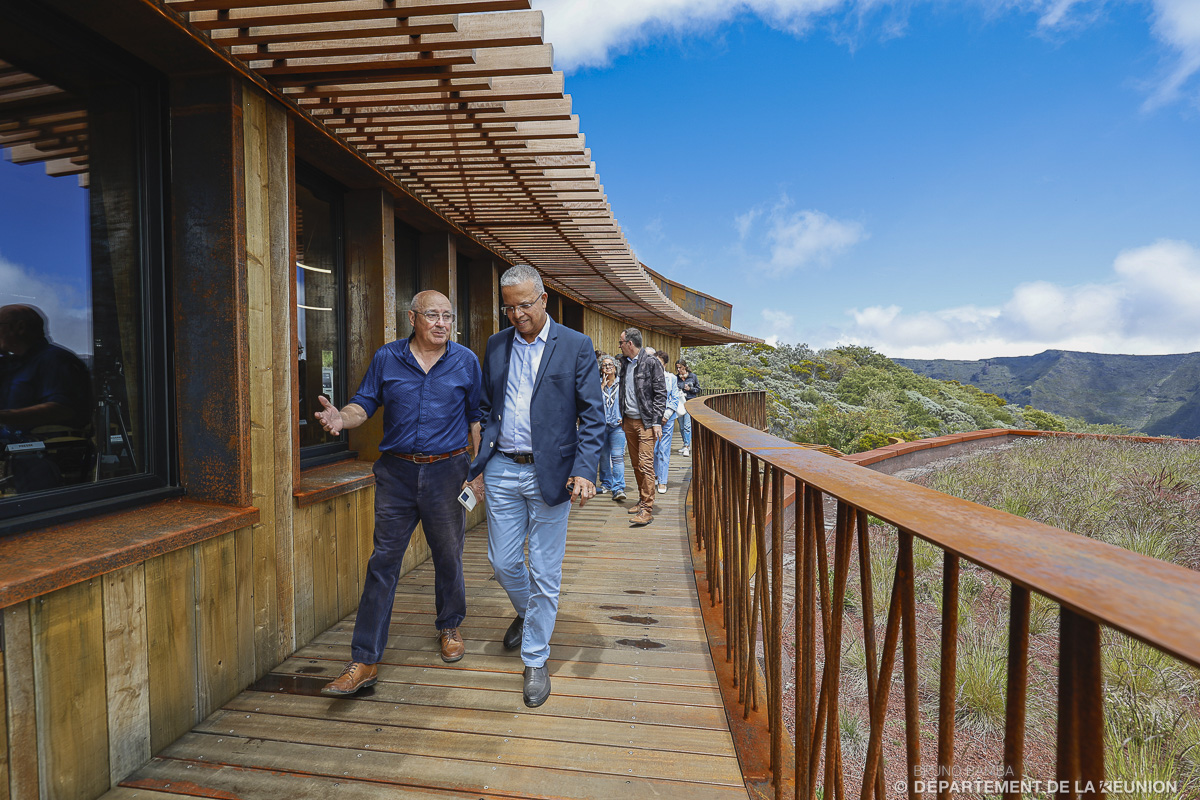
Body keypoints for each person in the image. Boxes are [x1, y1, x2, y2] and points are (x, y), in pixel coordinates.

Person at [319, 290, 483, 696]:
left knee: (448, 555)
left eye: (448, 315)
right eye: (433, 315)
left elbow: (477, 417)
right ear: (413, 318)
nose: (442, 323)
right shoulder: (387, 358)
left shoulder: (466, 361)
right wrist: (342, 417)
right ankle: (365, 660)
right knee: (383, 563)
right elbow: (364, 403)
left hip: (448, 472)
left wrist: (476, 473)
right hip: (396, 474)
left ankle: (449, 625)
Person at [464, 264, 604, 708]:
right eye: (509, 308)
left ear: (544, 299)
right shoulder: (497, 344)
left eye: (525, 304)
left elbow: (594, 417)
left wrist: (585, 471)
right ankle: (528, 615)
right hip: (503, 467)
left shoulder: (577, 346)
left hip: (553, 474)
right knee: (502, 562)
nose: (517, 314)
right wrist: (480, 463)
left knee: (545, 570)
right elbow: (487, 408)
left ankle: (536, 658)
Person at [0, 304, 92, 493]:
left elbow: (61, 408)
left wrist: (6, 416)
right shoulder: (14, 364)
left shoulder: (55, 360)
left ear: (20, 327)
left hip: (45, 457)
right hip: (20, 451)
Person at [617, 327, 666, 527]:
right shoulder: (623, 363)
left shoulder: (651, 362)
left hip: (646, 422)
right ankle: (641, 499)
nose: (619, 346)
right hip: (628, 420)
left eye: (621, 342)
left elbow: (660, 394)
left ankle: (647, 509)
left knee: (646, 464)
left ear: (630, 343)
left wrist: (656, 422)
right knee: (636, 464)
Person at [596, 354, 627, 502]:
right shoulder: (597, 385)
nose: (607, 367)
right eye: (604, 365)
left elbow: (629, 401)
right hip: (602, 425)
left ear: (615, 368)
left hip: (617, 425)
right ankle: (606, 484)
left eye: (610, 365)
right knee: (603, 456)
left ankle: (618, 487)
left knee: (617, 456)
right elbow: (592, 404)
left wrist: (625, 416)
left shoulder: (622, 384)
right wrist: (601, 387)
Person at [653, 350, 683, 494]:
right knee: (653, 449)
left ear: (664, 364)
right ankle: (655, 475)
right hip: (652, 419)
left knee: (663, 450)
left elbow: (674, 397)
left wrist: (666, 415)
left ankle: (663, 481)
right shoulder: (649, 378)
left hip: (667, 419)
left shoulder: (671, 378)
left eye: (659, 362)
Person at [675, 359, 700, 457]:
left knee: (687, 426)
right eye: (677, 367)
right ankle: (685, 444)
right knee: (681, 427)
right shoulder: (676, 378)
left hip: (689, 403)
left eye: (680, 367)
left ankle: (686, 446)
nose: (678, 369)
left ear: (684, 367)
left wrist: (691, 389)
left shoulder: (693, 376)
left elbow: (698, 389)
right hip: (680, 404)